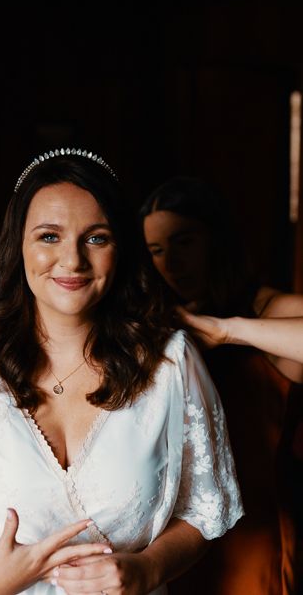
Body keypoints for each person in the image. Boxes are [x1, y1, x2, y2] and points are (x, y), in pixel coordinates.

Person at [0, 149, 242, 595]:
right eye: (49, 236)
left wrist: (148, 569)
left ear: (121, 247)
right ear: (18, 243)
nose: (72, 260)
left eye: (96, 238)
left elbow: (203, 508)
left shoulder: (170, 360)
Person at [141, 175, 302, 595]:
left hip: (253, 536)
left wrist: (227, 331)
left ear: (216, 240)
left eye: (184, 242)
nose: (170, 263)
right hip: (171, 541)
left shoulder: (263, 308)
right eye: (156, 251)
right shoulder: (150, 325)